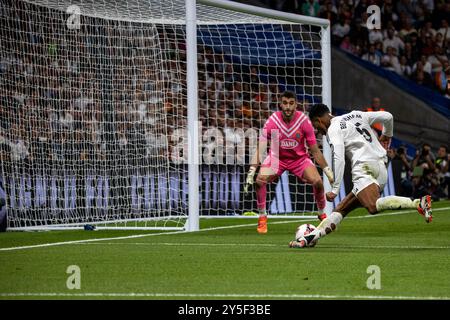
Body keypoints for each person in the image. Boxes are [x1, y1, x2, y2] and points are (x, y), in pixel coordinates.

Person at [289, 104, 433, 248]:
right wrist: (387, 135)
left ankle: (418, 203)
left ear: (318, 120)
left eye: (316, 126)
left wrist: (335, 189)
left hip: (363, 167)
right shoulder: (356, 114)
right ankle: (307, 239)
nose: (318, 131)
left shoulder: (333, 129)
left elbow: (339, 158)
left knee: (372, 206)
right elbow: (388, 116)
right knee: (341, 209)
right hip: (381, 167)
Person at [244, 91, 334, 234]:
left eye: (291, 103)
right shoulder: (272, 121)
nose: (288, 107)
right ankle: (262, 217)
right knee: (260, 180)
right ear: (280, 104)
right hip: (276, 158)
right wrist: (251, 171)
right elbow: (260, 148)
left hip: (299, 160)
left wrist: (328, 171)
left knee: (318, 182)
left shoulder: (304, 122)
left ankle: (321, 213)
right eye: (285, 103)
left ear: (295, 105)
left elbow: (315, 151)